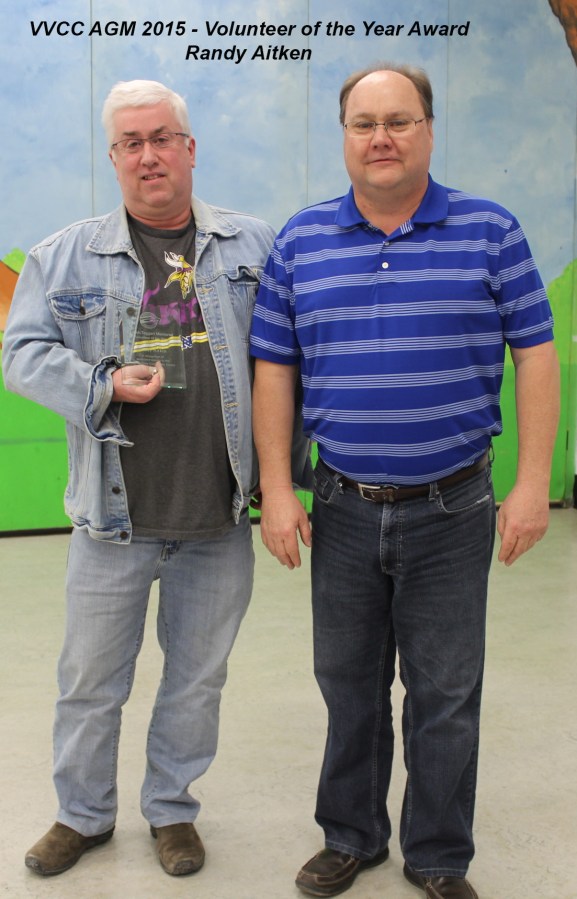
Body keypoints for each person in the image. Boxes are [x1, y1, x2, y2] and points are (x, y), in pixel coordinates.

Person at [249, 63, 560, 899]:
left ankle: (437, 853)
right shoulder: (300, 240)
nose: (379, 138)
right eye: (363, 124)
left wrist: (532, 483)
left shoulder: (490, 230)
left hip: (453, 507)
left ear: (427, 129)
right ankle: (350, 835)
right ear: (344, 136)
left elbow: (534, 354)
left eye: (397, 121)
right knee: (347, 686)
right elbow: (274, 368)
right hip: (342, 506)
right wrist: (276, 487)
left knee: (445, 692)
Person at [2, 79, 277, 879]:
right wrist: (101, 383)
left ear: (189, 148)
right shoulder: (63, 256)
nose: (148, 155)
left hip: (216, 518)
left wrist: (286, 482)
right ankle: (82, 815)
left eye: (161, 138)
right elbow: (21, 355)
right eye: (131, 142)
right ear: (114, 156)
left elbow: (285, 363)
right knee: (89, 681)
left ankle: (171, 809)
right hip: (111, 520)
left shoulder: (254, 247)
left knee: (195, 681)